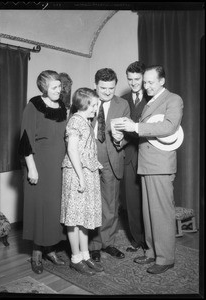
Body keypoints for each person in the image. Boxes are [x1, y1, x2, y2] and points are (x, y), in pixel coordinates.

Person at [113, 65, 183, 274]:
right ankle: (152, 252)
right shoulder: (150, 102)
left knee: (161, 213)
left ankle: (165, 258)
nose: (146, 86)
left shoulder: (173, 99)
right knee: (149, 212)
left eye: (151, 82)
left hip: (160, 164)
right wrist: (122, 135)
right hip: (146, 164)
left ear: (162, 81)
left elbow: (169, 126)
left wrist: (135, 127)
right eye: (145, 82)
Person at [18, 70, 67, 274]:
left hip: (59, 165)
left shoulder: (63, 107)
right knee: (40, 209)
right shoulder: (33, 106)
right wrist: (32, 169)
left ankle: (51, 249)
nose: (59, 90)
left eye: (59, 86)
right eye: (54, 87)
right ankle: (36, 253)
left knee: (55, 209)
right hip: (39, 165)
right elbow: (25, 139)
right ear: (44, 88)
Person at [60, 88, 104, 276]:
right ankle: (75, 258)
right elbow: (72, 150)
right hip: (78, 173)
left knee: (84, 218)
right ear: (85, 104)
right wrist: (81, 176)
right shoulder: (76, 121)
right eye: (94, 105)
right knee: (74, 220)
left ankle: (85, 255)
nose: (96, 108)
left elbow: (85, 148)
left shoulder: (85, 120)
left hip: (87, 172)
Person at [89, 68, 131, 262]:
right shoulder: (85, 101)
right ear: (95, 85)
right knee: (91, 205)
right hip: (89, 161)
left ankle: (108, 243)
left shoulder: (122, 104)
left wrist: (119, 140)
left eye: (111, 88)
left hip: (112, 161)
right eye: (103, 88)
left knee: (111, 206)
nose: (107, 92)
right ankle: (93, 245)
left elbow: (128, 135)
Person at [121, 61, 150, 253]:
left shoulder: (153, 97)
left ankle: (150, 243)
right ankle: (136, 240)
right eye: (130, 79)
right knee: (131, 202)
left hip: (149, 155)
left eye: (137, 79)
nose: (133, 83)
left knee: (148, 202)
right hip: (129, 156)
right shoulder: (122, 100)